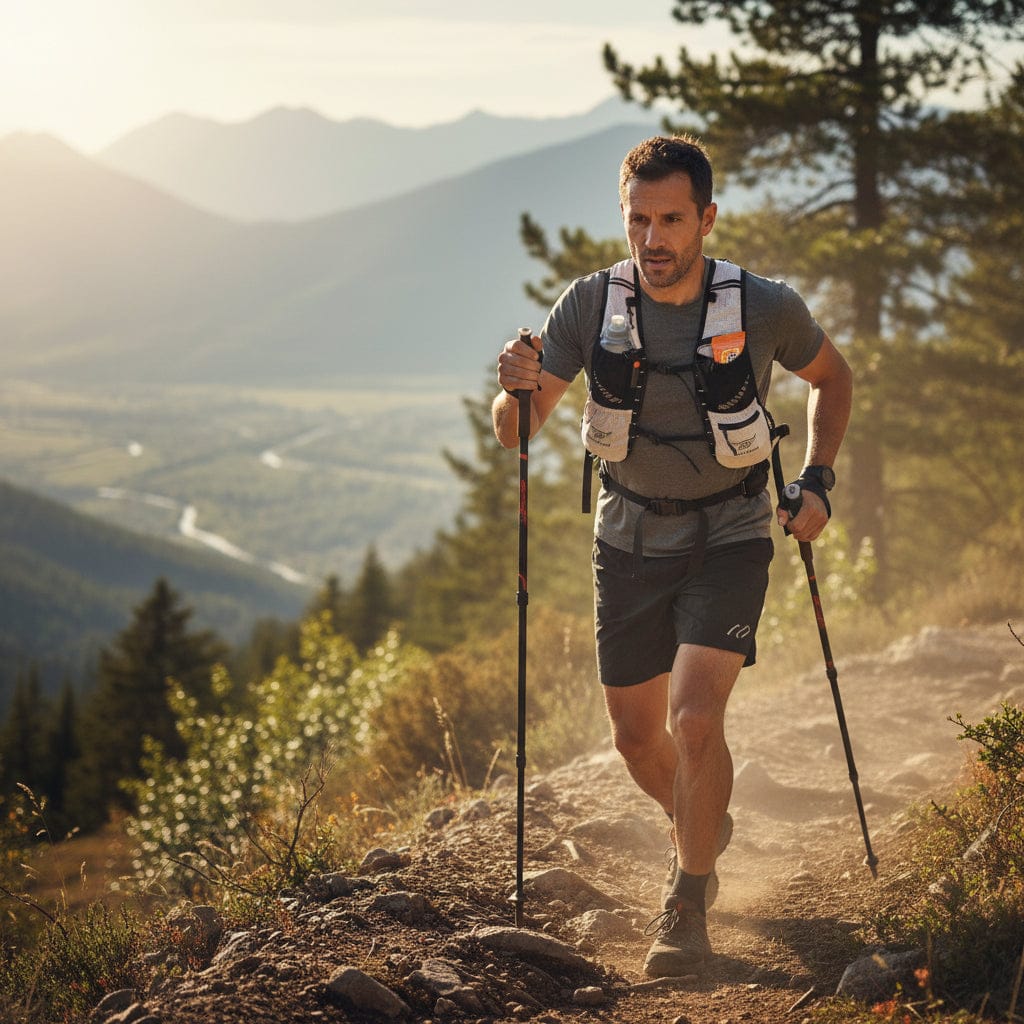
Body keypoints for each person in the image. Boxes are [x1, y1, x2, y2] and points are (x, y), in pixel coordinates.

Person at [491, 135, 852, 978]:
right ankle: (706, 821)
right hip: (626, 538)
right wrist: (511, 387)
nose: (653, 240)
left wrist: (819, 483)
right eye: (638, 220)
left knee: (694, 720)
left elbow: (834, 379)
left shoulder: (762, 305)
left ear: (706, 220)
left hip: (730, 532)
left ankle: (687, 897)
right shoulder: (588, 306)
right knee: (636, 739)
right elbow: (519, 431)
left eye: (671, 220)